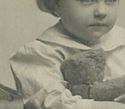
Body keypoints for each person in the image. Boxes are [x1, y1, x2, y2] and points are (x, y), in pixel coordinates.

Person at [10, 0, 125, 109]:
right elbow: (51, 103)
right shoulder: (41, 53)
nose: (101, 11)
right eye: (86, 0)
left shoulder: (122, 40)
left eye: (111, 0)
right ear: (56, 4)